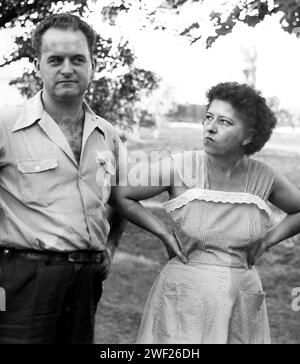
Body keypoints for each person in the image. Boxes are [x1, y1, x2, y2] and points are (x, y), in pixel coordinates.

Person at [111, 82, 300, 344]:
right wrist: (164, 233)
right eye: (209, 117)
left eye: (224, 122)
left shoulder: (265, 177)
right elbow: (121, 194)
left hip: (242, 296)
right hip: (185, 295)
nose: (210, 127)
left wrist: (267, 241)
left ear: (248, 136)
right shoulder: (180, 166)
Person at [0, 13, 128, 344]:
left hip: (87, 281)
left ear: (93, 64)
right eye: (55, 60)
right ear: (38, 65)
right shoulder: (5, 126)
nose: (67, 68)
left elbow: (119, 198)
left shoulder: (107, 134)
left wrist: (111, 245)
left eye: (77, 59)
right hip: (22, 278)